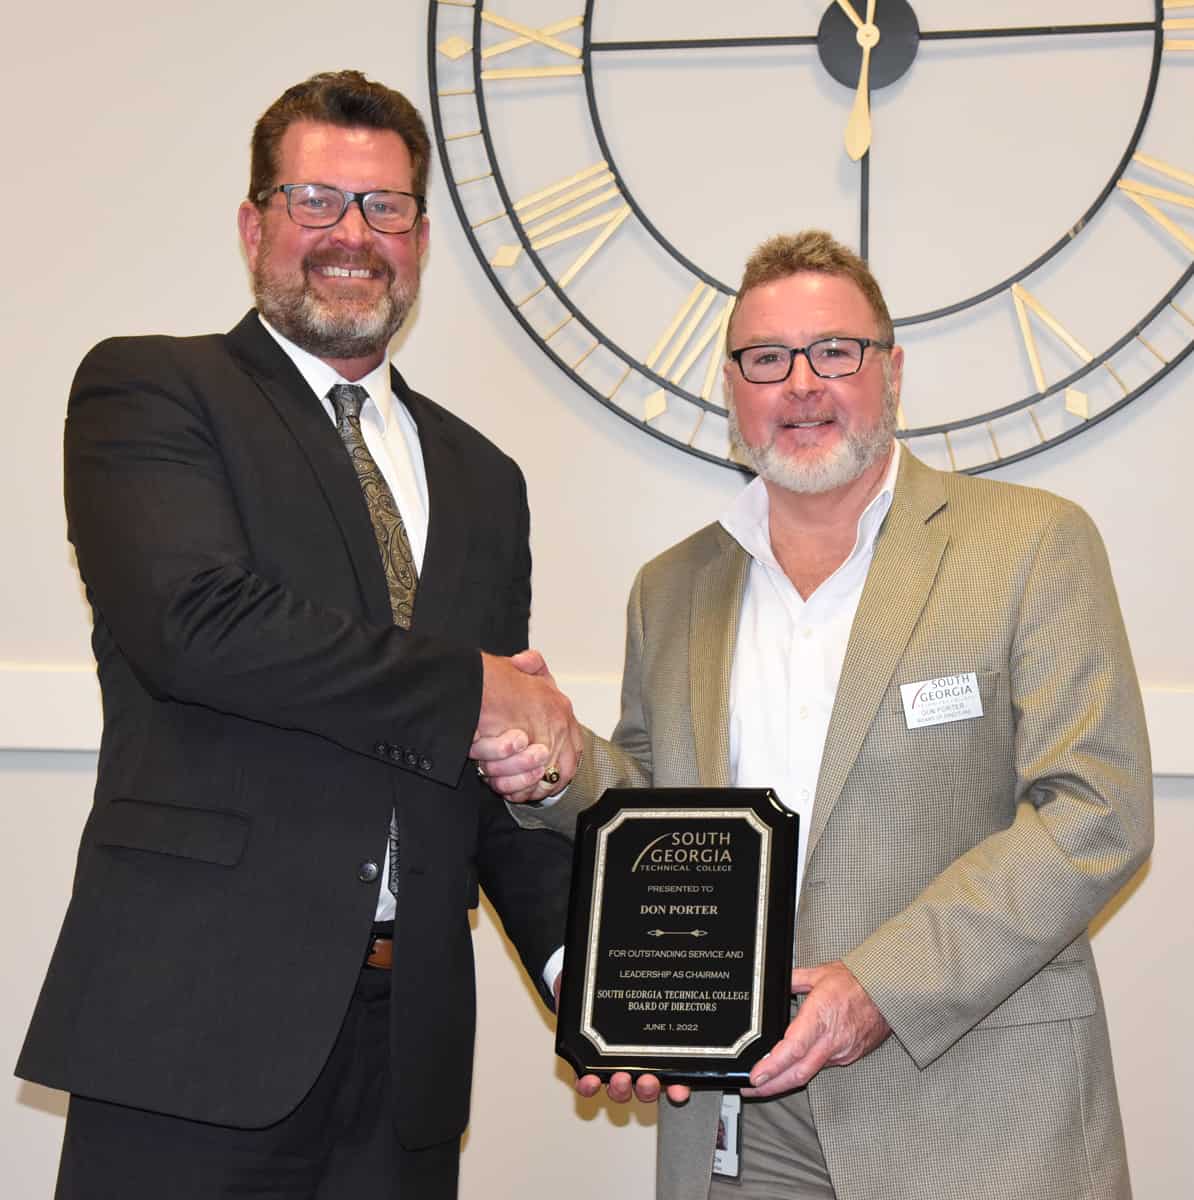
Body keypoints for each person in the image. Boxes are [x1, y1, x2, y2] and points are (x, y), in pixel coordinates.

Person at [477, 231, 1153, 1199]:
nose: (801, 384)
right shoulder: (668, 590)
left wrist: (880, 987)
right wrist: (548, 763)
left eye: (835, 352)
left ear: (892, 371)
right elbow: (654, 811)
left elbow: (1097, 812)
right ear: (732, 387)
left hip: (977, 1116)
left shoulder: (1031, 546)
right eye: (767, 359)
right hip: (738, 1124)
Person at [16, 70, 581, 1199]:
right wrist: (476, 688)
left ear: (418, 238)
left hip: (405, 1051)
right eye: (316, 200)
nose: (351, 237)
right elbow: (200, 624)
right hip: (192, 1032)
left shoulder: (485, 478)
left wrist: (595, 981)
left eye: (385, 209)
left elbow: (478, 770)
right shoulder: (150, 391)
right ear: (254, 222)